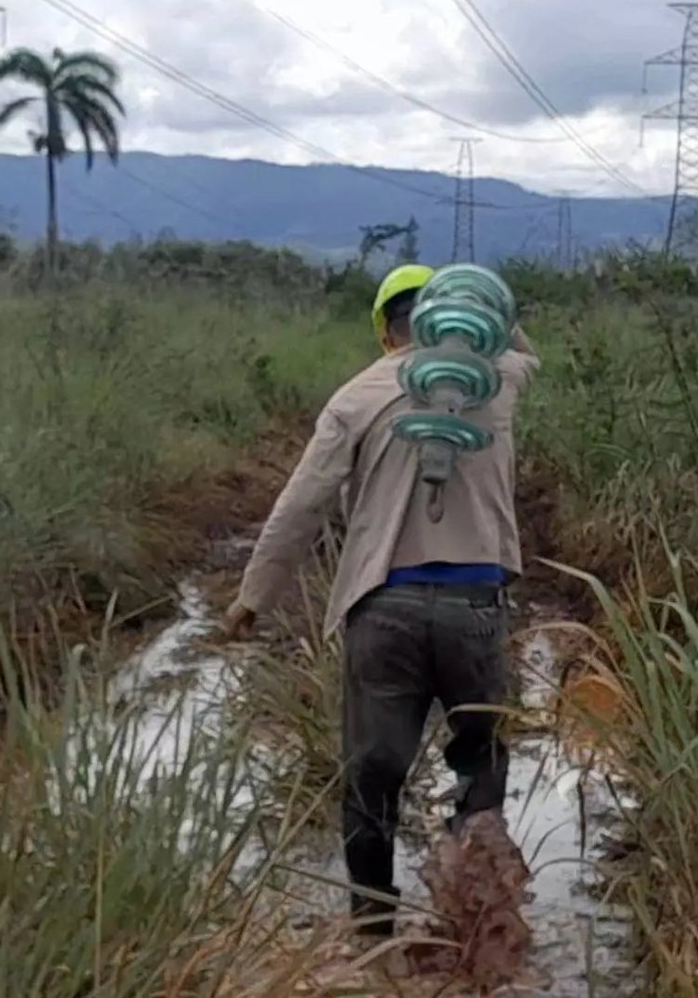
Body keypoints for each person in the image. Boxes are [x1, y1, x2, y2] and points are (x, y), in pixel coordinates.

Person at [222, 263, 539, 936]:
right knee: (479, 757)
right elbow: (522, 348)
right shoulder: (499, 381)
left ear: (384, 330)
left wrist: (253, 598)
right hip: (475, 608)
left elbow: (299, 508)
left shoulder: (355, 396)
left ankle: (371, 934)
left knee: (373, 775)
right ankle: (478, 918)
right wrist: (483, 306)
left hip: (384, 610)